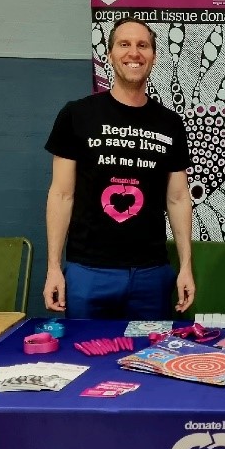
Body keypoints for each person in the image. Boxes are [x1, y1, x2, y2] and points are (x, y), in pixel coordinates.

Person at [43, 17, 195, 319]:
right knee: (86, 359)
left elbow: (178, 198)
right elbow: (61, 195)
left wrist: (186, 266)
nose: (134, 53)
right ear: (109, 55)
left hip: (151, 274)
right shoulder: (77, 115)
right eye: (124, 44)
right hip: (88, 271)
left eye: (143, 45)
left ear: (153, 56)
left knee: (150, 361)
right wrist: (53, 268)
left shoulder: (170, 123)